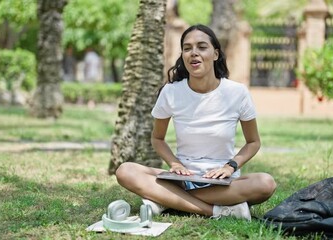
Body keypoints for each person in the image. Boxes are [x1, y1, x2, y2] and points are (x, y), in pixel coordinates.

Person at [115, 24, 276, 220]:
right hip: (183, 179)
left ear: (215, 54)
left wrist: (230, 166)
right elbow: (157, 138)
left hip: (223, 182)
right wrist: (174, 164)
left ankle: (167, 199)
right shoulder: (171, 92)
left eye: (201, 47)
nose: (194, 53)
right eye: (187, 48)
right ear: (182, 54)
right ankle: (215, 211)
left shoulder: (237, 92)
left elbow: (253, 142)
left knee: (265, 183)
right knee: (126, 171)